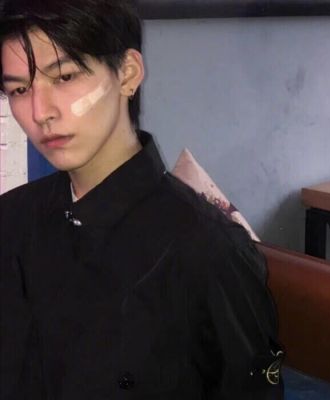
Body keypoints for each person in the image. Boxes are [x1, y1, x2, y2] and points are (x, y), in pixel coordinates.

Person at [0, 0, 284, 399]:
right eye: (19, 89)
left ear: (128, 74)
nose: (39, 112)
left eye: (64, 77)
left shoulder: (207, 251)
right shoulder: (12, 219)